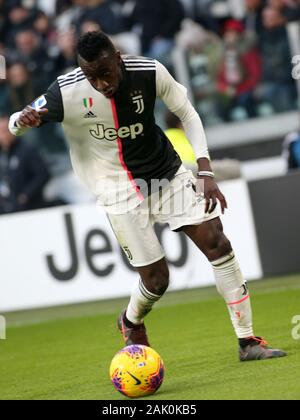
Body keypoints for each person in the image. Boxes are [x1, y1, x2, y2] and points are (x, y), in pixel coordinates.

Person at [8, 31, 286, 361]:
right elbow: (15, 123)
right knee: (156, 280)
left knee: (218, 243)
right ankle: (130, 320)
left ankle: (248, 342)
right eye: (91, 76)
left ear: (118, 58)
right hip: (116, 187)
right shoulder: (66, 90)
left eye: (105, 73)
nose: (100, 84)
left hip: (164, 173)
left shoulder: (149, 71)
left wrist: (206, 171)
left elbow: (188, 114)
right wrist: (23, 121)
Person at [0, 114, 50, 214]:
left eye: (5, 130)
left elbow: (43, 174)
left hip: (31, 209)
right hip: (8, 210)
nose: (3, 135)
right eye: (1, 132)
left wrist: (25, 196)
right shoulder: (2, 154)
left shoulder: (27, 149)